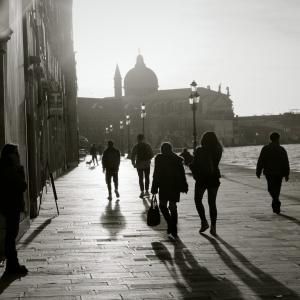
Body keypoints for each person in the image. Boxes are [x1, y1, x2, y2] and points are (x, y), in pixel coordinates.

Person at [0, 144, 28, 275]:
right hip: (11, 206)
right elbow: (22, 185)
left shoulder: (5, 167)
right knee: (11, 236)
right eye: (16, 153)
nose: (18, 155)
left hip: (9, 206)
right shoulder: (10, 169)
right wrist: (19, 168)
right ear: (10, 155)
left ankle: (12, 264)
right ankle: (12, 265)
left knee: (11, 235)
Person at [151, 142, 188, 237]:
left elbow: (156, 174)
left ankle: (171, 224)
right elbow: (182, 174)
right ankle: (173, 226)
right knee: (173, 206)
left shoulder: (159, 159)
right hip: (175, 186)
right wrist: (184, 185)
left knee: (162, 206)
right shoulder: (177, 159)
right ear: (171, 149)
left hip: (164, 186)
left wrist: (154, 188)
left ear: (162, 150)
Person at [190, 132, 223, 236]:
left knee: (198, 199)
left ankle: (204, 222)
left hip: (202, 179)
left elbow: (195, 164)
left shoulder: (200, 150)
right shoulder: (218, 149)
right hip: (214, 177)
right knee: (212, 203)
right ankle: (213, 227)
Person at [256, 132, 290, 214]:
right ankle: (276, 203)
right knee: (277, 189)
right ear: (278, 139)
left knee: (270, 188)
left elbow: (260, 161)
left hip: (269, 172)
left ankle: (276, 202)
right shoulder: (281, 149)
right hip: (279, 173)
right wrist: (286, 174)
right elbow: (286, 162)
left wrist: (258, 171)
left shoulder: (265, 148)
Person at [131, 134, 154, 198]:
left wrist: (133, 163)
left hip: (139, 164)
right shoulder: (147, 146)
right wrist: (148, 159)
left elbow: (132, 155)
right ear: (143, 138)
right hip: (146, 163)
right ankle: (147, 190)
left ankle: (142, 192)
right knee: (147, 177)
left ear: (137, 139)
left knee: (140, 178)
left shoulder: (136, 146)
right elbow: (152, 154)